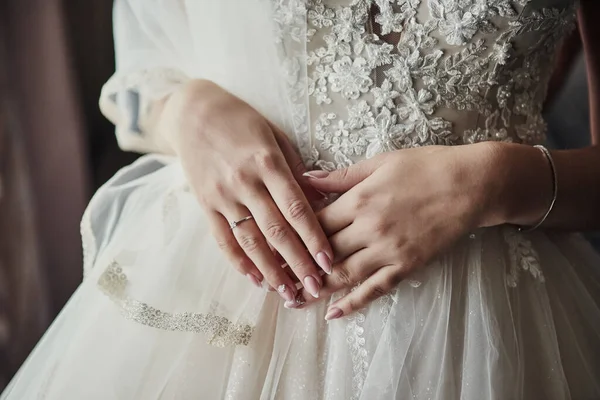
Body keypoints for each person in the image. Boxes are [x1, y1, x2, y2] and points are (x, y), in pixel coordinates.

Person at [3, 0, 600, 399]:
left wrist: (495, 181)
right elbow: (137, 80)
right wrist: (183, 112)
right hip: (213, 312)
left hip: (481, 330)